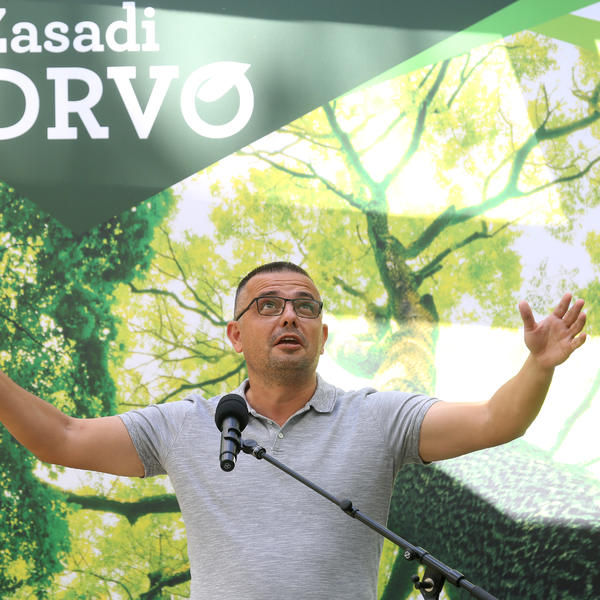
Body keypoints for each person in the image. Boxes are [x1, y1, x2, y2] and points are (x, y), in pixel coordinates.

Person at [0, 261, 587, 599]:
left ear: (322, 337)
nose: (289, 314)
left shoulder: (378, 417)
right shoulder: (183, 425)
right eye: (268, 305)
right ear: (236, 335)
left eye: (306, 306)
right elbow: (61, 438)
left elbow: (494, 420)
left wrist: (537, 367)